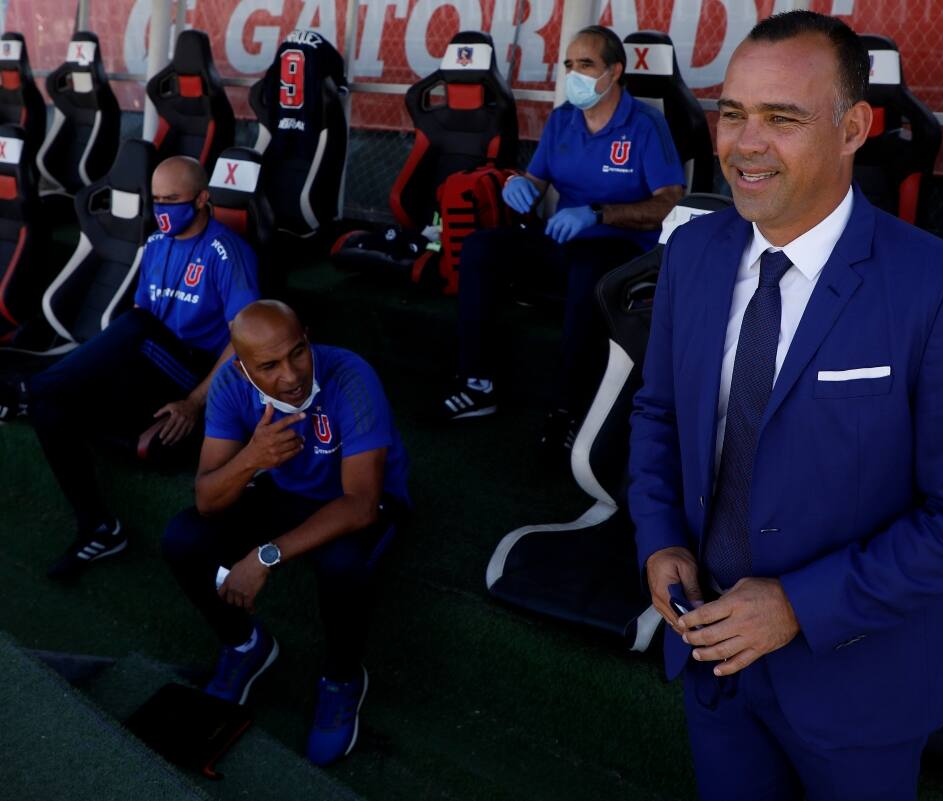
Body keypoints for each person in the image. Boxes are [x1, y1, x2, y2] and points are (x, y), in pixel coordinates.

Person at [627, 12, 943, 800]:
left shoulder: (941, 290)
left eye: (781, 118)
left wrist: (798, 606)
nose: (745, 144)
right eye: (733, 113)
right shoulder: (692, 254)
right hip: (714, 665)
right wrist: (660, 536)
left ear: (853, 129)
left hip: (858, 687)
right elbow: (659, 414)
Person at [161, 300, 410, 766]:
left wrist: (264, 556)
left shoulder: (351, 376)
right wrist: (251, 458)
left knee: (342, 565)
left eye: (297, 352)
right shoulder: (231, 384)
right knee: (183, 538)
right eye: (269, 366)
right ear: (243, 368)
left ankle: (342, 678)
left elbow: (360, 503)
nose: (291, 375)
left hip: (364, 500)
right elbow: (207, 498)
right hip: (289, 491)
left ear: (307, 337)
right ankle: (244, 645)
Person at [438, 25, 685, 453]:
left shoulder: (646, 124)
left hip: (623, 248)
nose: (574, 74)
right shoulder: (563, 119)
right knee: (481, 248)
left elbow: (670, 202)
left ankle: (566, 410)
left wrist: (598, 214)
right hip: (563, 239)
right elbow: (536, 179)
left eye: (586, 64)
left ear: (614, 71)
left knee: (588, 269)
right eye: (570, 64)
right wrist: (519, 185)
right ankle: (477, 384)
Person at [28, 155, 259, 580]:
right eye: (156, 201)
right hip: (150, 365)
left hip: (191, 373)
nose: (162, 210)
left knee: (132, 325)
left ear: (202, 199)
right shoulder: (154, 244)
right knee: (49, 408)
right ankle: (99, 528)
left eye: (173, 200)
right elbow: (142, 318)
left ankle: (28, 388)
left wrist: (194, 402)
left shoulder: (227, 251)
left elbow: (245, 342)